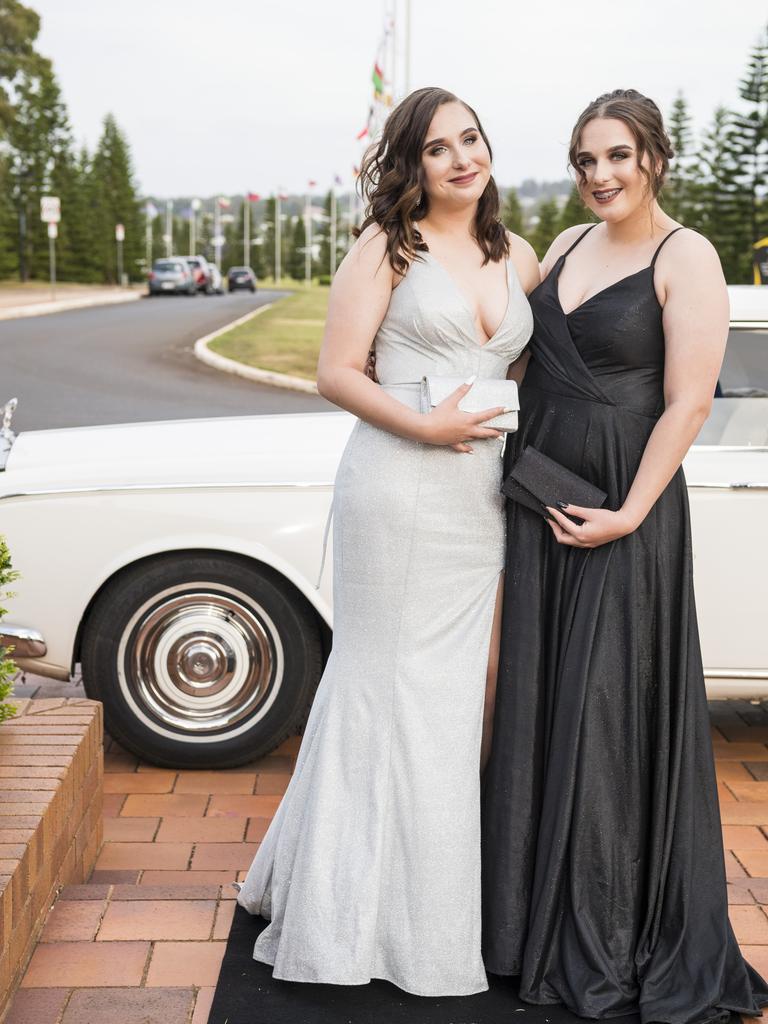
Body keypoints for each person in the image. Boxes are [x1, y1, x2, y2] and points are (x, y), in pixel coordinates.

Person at [235, 86, 537, 996]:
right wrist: (427, 429)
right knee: (383, 684)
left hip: (480, 500)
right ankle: (349, 911)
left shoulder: (518, 253)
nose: (461, 159)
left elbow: (520, 368)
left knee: (458, 700)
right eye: (439, 148)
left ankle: (434, 897)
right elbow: (334, 372)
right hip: (397, 487)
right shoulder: (386, 247)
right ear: (413, 163)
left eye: (472, 140)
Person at [481, 88, 768, 1022]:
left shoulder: (687, 255)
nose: (600, 176)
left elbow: (688, 402)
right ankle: (524, 929)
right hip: (543, 492)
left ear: (655, 157)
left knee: (606, 712)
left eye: (618, 157)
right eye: (585, 160)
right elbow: (520, 361)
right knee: (540, 696)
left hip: (621, 506)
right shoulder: (563, 246)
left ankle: (604, 931)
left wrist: (630, 515)